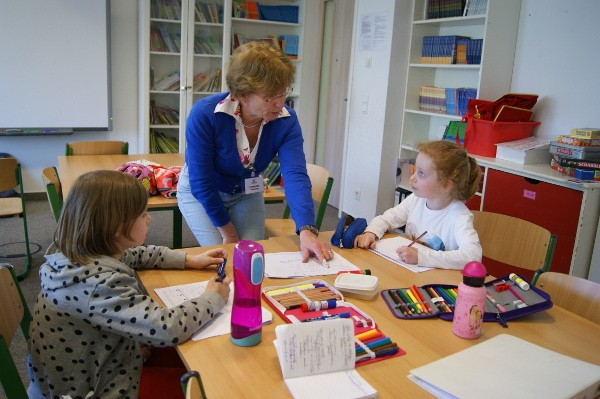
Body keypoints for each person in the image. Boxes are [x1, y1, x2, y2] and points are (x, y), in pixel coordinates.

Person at [27, 170, 232, 399]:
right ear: (116, 227)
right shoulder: (97, 284)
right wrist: (213, 297)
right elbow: (166, 328)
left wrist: (187, 259)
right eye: (143, 214)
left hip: (93, 368)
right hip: (94, 390)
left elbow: (135, 255)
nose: (150, 218)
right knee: (213, 376)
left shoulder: (80, 255)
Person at [177, 41, 333, 263]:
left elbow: (295, 174)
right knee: (224, 259)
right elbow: (201, 181)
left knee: (252, 260)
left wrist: (307, 230)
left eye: (283, 93)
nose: (280, 104)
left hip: (245, 193)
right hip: (202, 192)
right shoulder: (205, 115)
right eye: (270, 97)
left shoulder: (286, 120)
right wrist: (227, 231)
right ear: (242, 94)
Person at [354, 140, 483, 270]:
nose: (412, 178)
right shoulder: (416, 200)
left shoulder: (459, 215)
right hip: (409, 272)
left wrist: (422, 257)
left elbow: (473, 256)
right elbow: (386, 219)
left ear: (446, 185)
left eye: (421, 173)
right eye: (415, 170)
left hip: (436, 282)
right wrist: (371, 233)